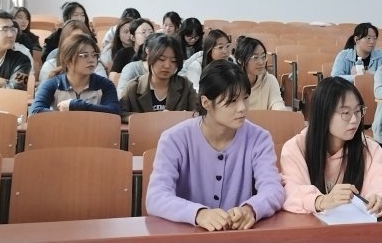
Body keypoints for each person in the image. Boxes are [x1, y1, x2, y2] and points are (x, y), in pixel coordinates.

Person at [146, 61, 284, 231]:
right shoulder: (174, 139)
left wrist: (251, 209)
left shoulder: (259, 138)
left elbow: (273, 189)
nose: (242, 108)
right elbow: (156, 197)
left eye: (246, 98)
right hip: (187, 235)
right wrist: (198, 213)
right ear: (206, 102)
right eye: (232, 101)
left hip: (237, 235)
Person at [280, 76, 382, 216]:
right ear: (323, 114)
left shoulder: (369, 149)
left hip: (356, 227)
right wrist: (321, 201)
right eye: (345, 113)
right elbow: (290, 191)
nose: (354, 120)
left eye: (358, 111)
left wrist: (380, 197)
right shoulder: (295, 148)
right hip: (309, 227)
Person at [30, 33, 119, 114]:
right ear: (68, 60)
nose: (91, 60)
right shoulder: (53, 84)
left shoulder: (105, 84)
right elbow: (35, 111)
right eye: (84, 56)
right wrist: (68, 115)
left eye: (94, 55)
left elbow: (114, 111)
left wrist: (78, 106)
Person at [120, 34, 198, 121]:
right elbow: (120, 114)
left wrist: (178, 116)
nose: (167, 65)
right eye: (161, 59)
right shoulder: (133, 87)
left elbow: (198, 114)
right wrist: (152, 118)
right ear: (149, 57)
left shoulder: (186, 86)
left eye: (173, 61)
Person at [39, 19, 107, 82]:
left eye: (82, 39)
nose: (78, 44)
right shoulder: (50, 66)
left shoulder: (95, 65)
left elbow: (104, 88)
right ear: (63, 42)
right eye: (73, 40)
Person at [234, 37, 285, 110]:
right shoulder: (231, 84)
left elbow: (277, 102)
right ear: (241, 60)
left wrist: (281, 110)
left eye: (263, 56)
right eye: (255, 57)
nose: (261, 62)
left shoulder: (269, 80)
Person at [109, 18, 154, 82]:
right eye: (143, 32)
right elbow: (113, 77)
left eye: (151, 32)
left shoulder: (156, 53)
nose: (148, 35)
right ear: (132, 37)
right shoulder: (123, 53)